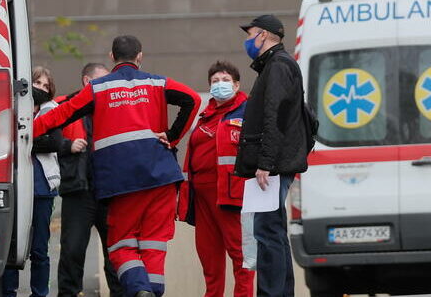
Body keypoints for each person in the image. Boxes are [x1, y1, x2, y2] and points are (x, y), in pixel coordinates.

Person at [33, 35, 201, 297]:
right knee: (153, 244)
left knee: (121, 244)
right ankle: (151, 291)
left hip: (122, 181)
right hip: (162, 176)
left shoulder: (98, 88)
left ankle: (139, 289)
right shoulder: (157, 82)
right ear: (140, 56)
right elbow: (192, 99)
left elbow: (60, 114)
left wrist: (26, 129)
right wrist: (172, 136)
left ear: (112, 57)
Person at [234, 15, 309, 297]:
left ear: (263, 35)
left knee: (266, 232)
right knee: (272, 231)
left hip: (273, 165)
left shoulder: (277, 66)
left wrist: (265, 162)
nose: (247, 40)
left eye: (250, 34)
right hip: (276, 162)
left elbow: (274, 115)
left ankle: (272, 293)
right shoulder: (277, 65)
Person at [177, 60, 255, 297]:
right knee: (209, 260)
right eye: (215, 81)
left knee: (241, 258)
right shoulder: (205, 115)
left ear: (237, 84)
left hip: (231, 197)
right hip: (202, 199)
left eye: (225, 80)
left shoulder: (249, 111)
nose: (220, 84)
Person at [56, 63, 124, 297]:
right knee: (72, 251)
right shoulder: (63, 105)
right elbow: (41, 139)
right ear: (87, 81)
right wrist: (67, 145)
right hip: (78, 190)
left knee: (116, 252)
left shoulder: (116, 107)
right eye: (102, 80)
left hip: (110, 191)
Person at [3, 66, 62, 297]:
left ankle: (39, 293)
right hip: (14, 185)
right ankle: (8, 292)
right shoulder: (12, 109)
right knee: (11, 246)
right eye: (38, 83)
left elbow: (55, 143)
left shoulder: (51, 110)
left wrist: (24, 143)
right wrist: (33, 141)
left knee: (40, 249)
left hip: (42, 188)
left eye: (46, 86)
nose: (42, 89)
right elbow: (5, 141)